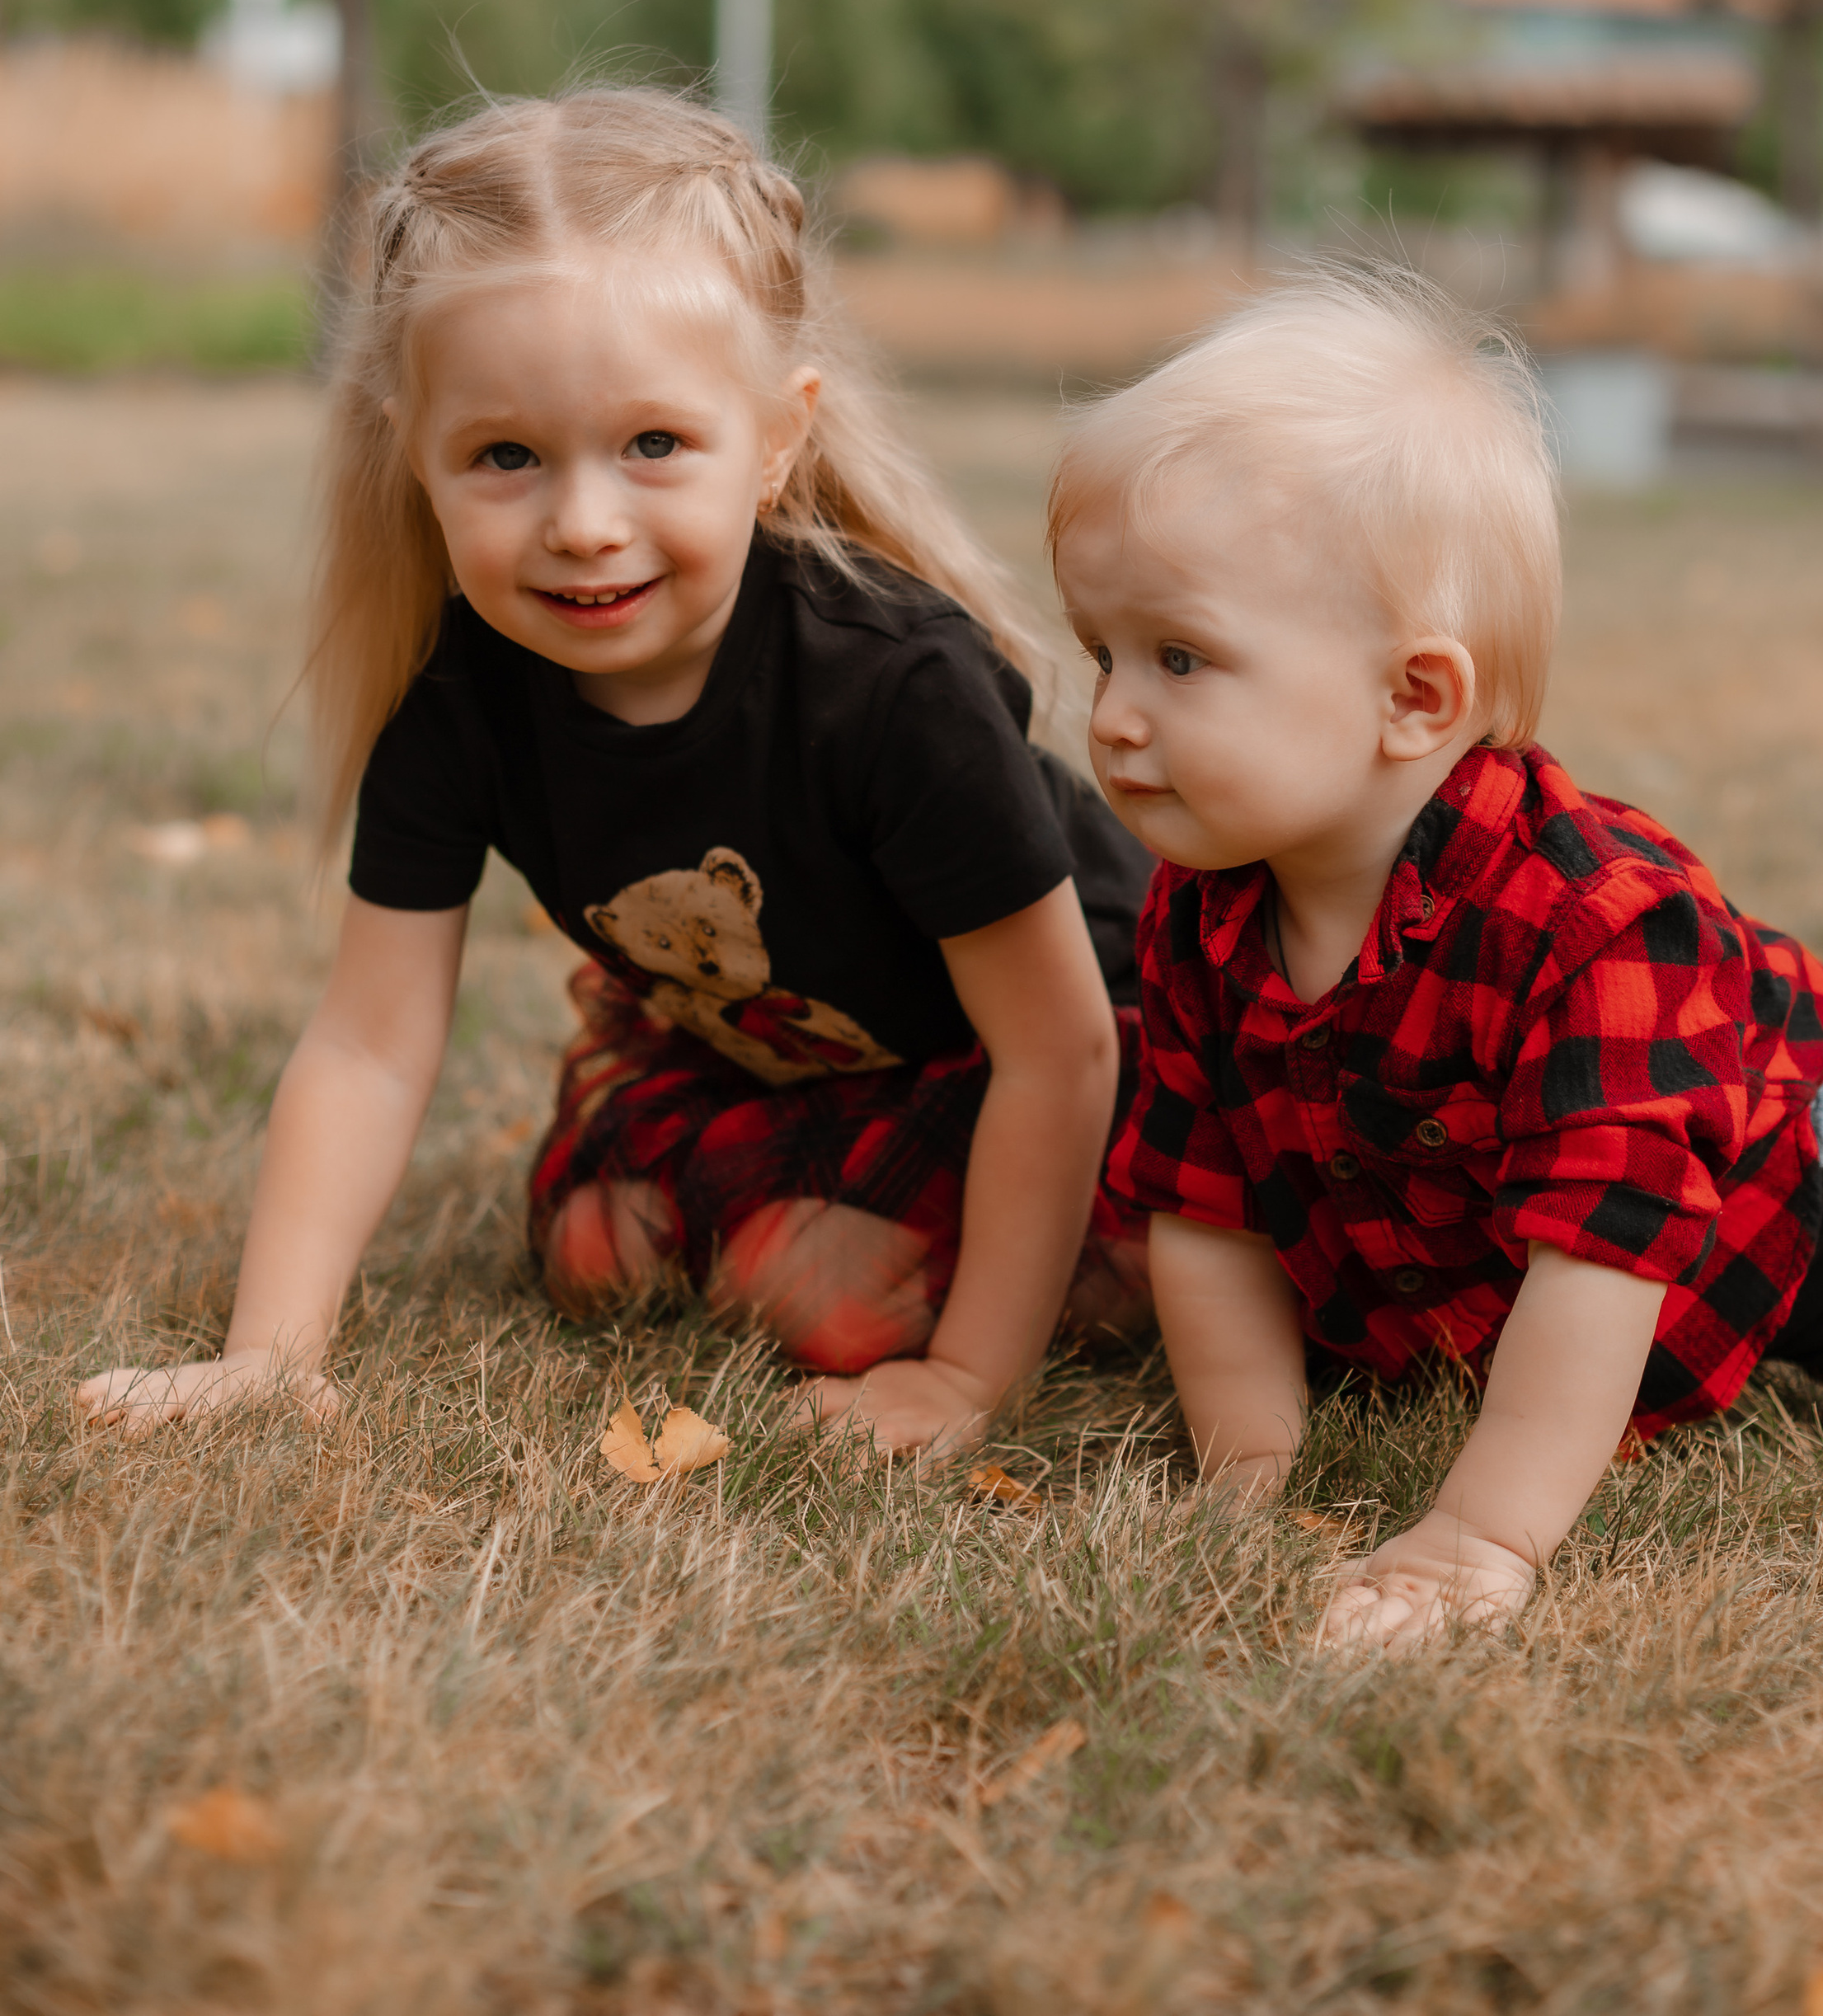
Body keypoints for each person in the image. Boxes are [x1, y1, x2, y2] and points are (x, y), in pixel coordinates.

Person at [79, 86, 1151, 1452]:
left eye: (654, 445)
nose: (584, 524)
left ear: (775, 441)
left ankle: (1084, 1259)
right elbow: (366, 1042)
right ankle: (800, 1214)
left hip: (1072, 1048)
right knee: (594, 1246)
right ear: (417, 454)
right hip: (784, 1054)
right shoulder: (460, 705)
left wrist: (963, 1380)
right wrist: (267, 1355)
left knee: (819, 1295)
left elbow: (1061, 1051)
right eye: (506, 456)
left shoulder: (894, 688)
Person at [1049, 269, 1823, 1653]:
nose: (1114, 718)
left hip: (1784, 1160)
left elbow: (1604, 1255)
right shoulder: (1200, 914)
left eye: (1179, 660)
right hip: (1475, 1228)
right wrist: (1251, 1471)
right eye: (1104, 653)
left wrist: (1480, 1536)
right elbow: (1209, 1207)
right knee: (1395, 1361)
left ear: (1413, 697)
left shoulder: (1593, 923)